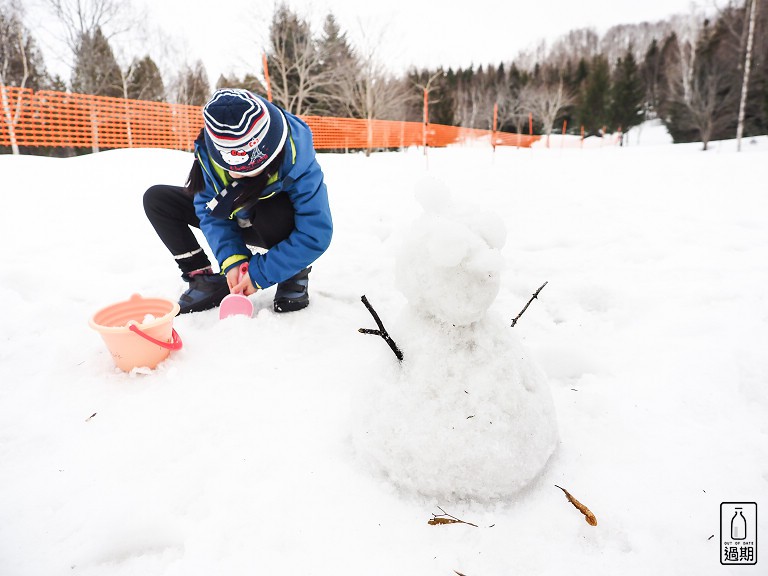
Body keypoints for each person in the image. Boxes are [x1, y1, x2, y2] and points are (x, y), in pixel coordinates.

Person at [143, 88, 333, 314]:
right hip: (236, 217)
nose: (233, 175)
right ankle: (204, 280)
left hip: (271, 224)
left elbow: (315, 233)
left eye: (244, 171)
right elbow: (208, 211)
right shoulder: (210, 152)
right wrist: (233, 261)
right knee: (158, 199)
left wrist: (259, 274)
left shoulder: (297, 158)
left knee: (274, 207)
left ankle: (292, 273)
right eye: (228, 167)